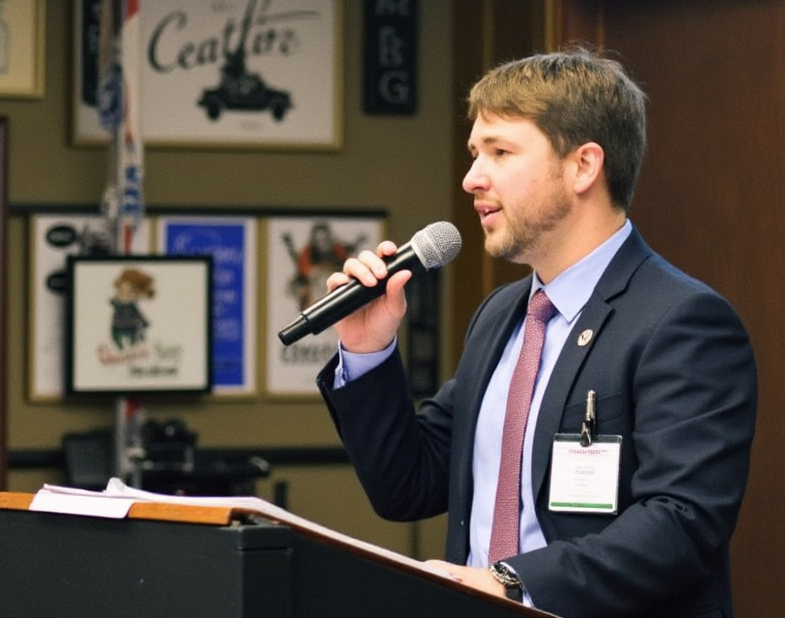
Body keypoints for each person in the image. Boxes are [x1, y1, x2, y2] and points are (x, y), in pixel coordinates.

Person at [315, 48, 757, 618]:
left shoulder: (682, 321)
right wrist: (367, 346)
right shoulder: (502, 315)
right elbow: (410, 485)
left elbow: (682, 523)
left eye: (500, 152)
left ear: (583, 166)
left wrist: (510, 584)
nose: (473, 178)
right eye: (475, 153)